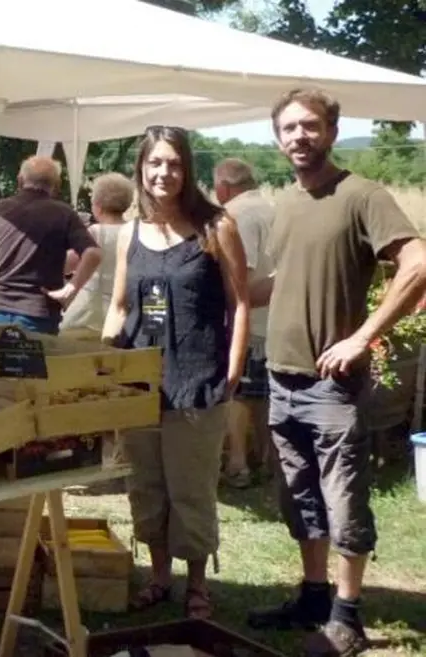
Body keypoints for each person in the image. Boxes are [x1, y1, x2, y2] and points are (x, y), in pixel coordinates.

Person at [246, 88, 426, 657]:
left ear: (331, 130)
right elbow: (287, 281)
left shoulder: (362, 195)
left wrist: (362, 336)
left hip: (332, 386)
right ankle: (314, 595)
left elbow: (418, 264)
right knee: (299, 495)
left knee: (343, 497)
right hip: (281, 378)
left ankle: (347, 618)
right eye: (289, 129)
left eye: (310, 126)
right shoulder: (288, 202)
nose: (299, 136)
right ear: (278, 138)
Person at [101, 125, 250, 621]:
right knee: (146, 484)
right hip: (140, 381)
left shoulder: (216, 228)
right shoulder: (130, 233)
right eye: (155, 163)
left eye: (174, 164)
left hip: (197, 378)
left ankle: (198, 585)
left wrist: (233, 365)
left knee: (191, 486)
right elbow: (120, 304)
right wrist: (103, 364)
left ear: (187, 170)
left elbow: (241, 301)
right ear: (141, 169)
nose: (164, 173)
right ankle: (159, 576)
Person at [0, 156, 101, 335]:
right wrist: (70, 289)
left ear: (20, 180)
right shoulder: (64, 214)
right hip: (38, 312)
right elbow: (93, 253)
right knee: (33, 363)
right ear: (56, 185)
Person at [212, 158, 276, 489]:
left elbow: (243, 278)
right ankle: (264, 459)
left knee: (236, 393)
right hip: (273, 321)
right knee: (264, 396)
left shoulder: (237, 214)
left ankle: (237, 463)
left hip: (248, 321)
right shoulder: (272, 208)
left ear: (223, 187)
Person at [60, 172, 134, 333]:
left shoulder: (95, 232)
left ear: (97, 205)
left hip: (90, 311)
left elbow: (66, 264)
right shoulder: (134, 231)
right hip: (124, 311)